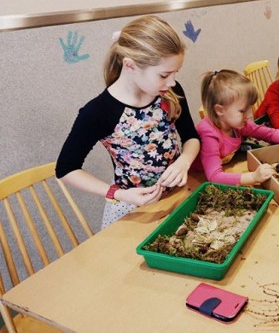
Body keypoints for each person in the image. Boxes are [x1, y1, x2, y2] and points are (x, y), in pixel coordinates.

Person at [56, 15, 201, 229]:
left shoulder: (169, 92)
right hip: (132, 210)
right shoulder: (98, 111)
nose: (171, 82)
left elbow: (191, 137)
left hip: (177, 199)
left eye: (175, 73)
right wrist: (118, 193)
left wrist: (184, 162)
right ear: (130, 65)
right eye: (164, 75)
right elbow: (66, 169)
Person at [194, 70, 279, 185]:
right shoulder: (209, 134)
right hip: (196, 179)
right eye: (242, 111)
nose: (249, 115)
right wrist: (253, 177)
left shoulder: (236, 123)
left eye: (249, 108)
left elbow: (264, 132)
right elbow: (214, 177)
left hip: (224, 170)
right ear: (220, 110)